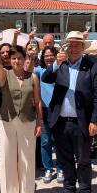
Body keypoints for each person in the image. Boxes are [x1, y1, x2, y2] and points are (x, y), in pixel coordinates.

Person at [41, 31, 97, 193]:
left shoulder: (93, 67)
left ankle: (85, 191)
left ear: (83, 48)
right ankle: (69, 189)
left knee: (84, 160)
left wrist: (95, 121)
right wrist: (56, 63)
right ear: (66, 48)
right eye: (71, 45)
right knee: (65, 159)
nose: (74, 48)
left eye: (78, 45)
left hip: (82, 122)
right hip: (61, 121)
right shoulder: (60, 65)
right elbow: (45, 78)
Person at [0, 43, 43, 193]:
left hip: (27, 120)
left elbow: (38, 101)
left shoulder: (32, 77)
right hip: (6, 121)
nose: (17, 61)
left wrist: (40, 121)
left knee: (27, 158)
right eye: (13, 58)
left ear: (25, 59)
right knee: (7, 158)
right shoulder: (5, 75)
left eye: (20, 58)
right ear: (10, 60)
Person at [34, 46, 63, 184]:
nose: (49, 58)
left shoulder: (61, 69)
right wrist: (31, 56)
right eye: (46, 56)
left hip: (59, 109)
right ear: (42, 58)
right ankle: (48, 168)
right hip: (44, 109)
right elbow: (29, 74)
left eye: (51, 55)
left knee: (59, 142)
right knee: (45, 142)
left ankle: (60, 168)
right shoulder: (40, 70)